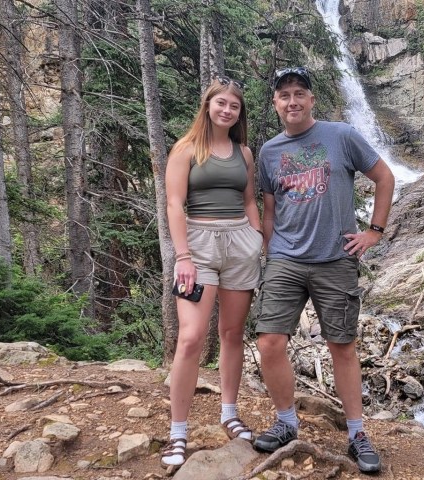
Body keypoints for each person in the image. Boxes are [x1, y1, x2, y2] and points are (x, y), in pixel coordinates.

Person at [253, 66, 395, 473]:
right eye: (284, 96)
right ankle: (285, 422)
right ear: (277, 104)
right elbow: (270, 207)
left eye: (300, 93)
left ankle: (356, 434)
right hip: (285, 258)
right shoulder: (269, 152)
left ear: (311, 99)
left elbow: (384, 177)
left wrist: (375, 232)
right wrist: (269, 249)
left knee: (342, 346)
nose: (292, 101)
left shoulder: (341, 135)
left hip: (335, 258)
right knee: (269, 342)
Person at [161, 76, 263, 470]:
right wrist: (182, 256)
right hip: (198, 246)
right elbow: (174, 204)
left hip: (240, 244)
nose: (227, 110)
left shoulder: (244, 153)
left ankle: (229, 412)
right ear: (207, 106)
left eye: (233, 106)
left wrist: (257, 238)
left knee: (232, 334)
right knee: (190, 339)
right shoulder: (186, 149)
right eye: (221, 103)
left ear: (239, 113)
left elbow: (249, 198)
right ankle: (178, 431)